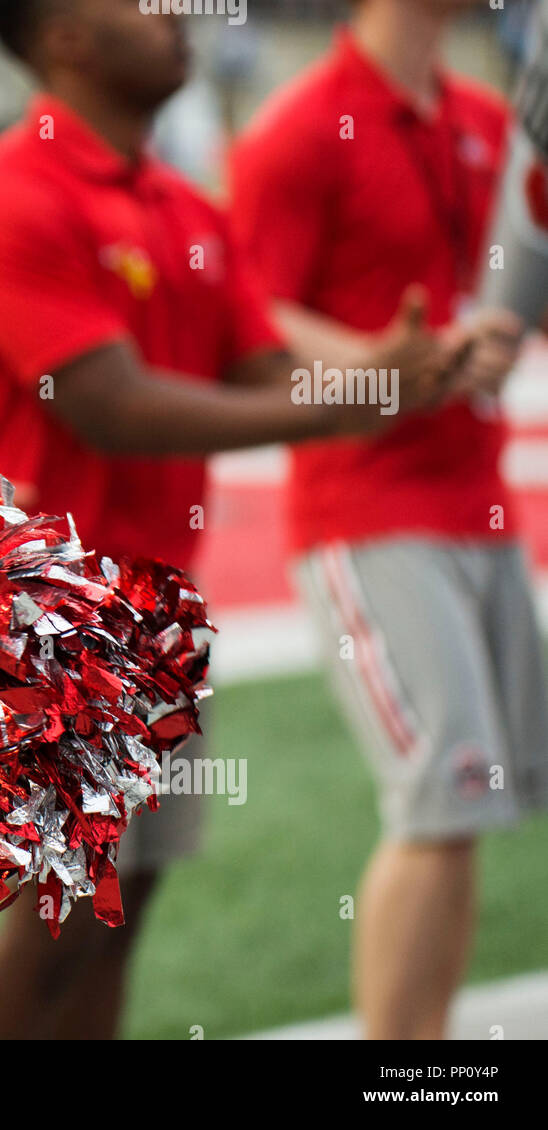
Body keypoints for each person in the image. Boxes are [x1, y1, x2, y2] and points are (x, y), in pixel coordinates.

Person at [0, 0, 460, 1040]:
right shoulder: (8, 195)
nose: (180, 15)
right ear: (62, 37)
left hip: (158, 614)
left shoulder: (180, 201)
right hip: (48, 620)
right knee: (59, 923)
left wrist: (404, 370)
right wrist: (358, 396)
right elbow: (115, 407)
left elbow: (261, 365)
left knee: (118, 916)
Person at [229, 0, 548, 1040]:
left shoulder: (482, 113)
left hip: (477, 498)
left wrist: (490, 334)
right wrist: (392, 363)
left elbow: (509, 275)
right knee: (443, 800)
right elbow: (247, 313)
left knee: (476, 813)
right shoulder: (299, 128)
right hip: (367, 507)